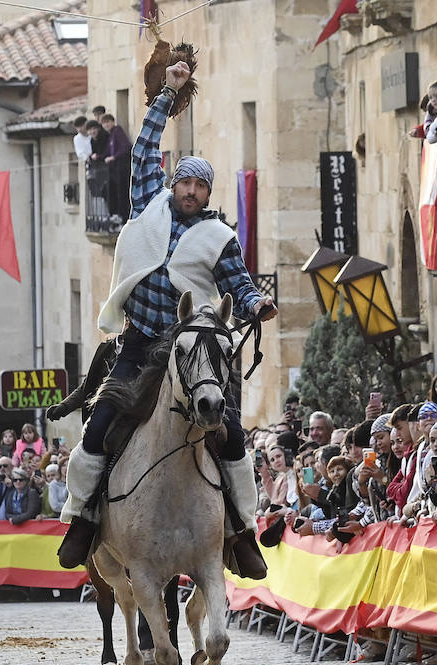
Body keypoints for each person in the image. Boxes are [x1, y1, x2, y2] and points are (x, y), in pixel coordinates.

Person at [56, 60, 277, 579]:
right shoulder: (147, 201)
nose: (191, 192)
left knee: (230, 435)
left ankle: (243, 532)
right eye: (186, 183)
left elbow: (238, 284)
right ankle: (82, 519)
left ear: (207, 194)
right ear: (174, 183)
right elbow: (143, 148)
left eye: (201, 187)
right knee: (100, 425)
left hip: (191, 346)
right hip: (139, 343)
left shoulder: (219, 237)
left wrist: (255, 306)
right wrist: (167, 93)